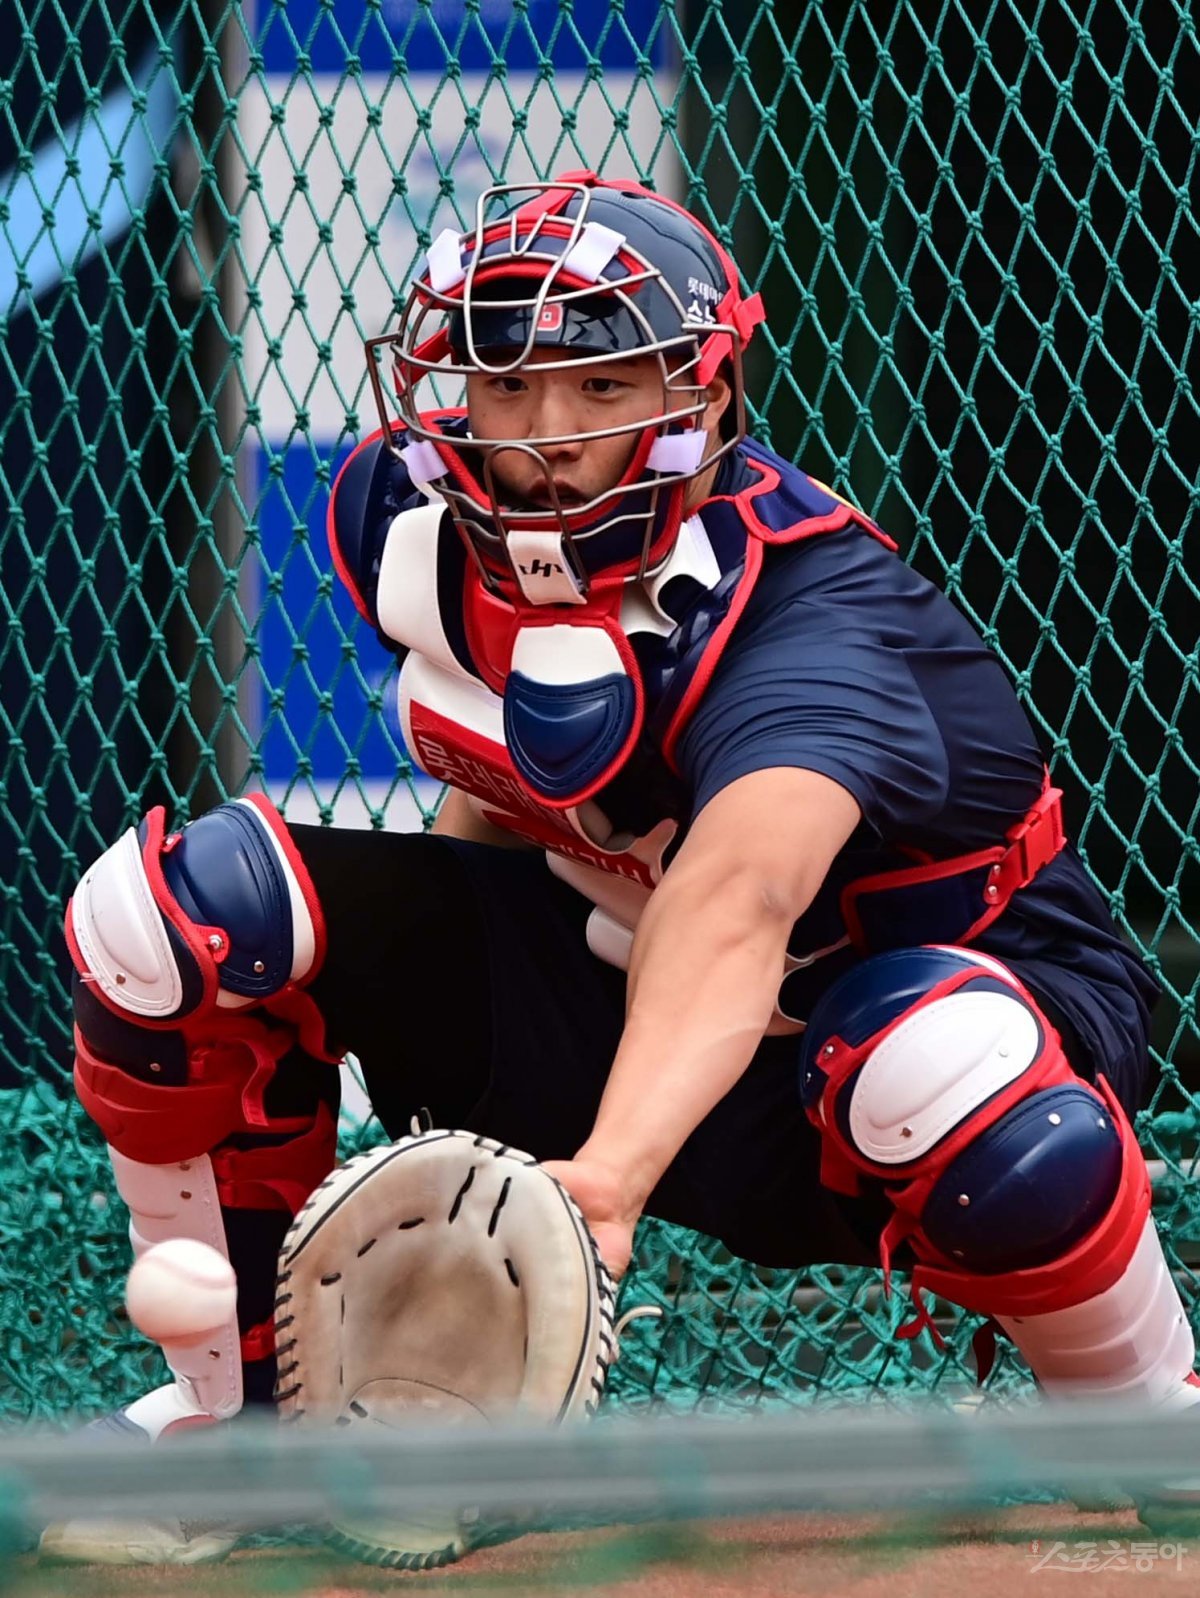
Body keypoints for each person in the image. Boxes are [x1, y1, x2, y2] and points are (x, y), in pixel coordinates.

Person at [50, 171, 1196, 1563]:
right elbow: (525, 795)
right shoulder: (410, 529)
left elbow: (736, 903)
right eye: (506, 383)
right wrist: (430, 1035)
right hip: (623, 986)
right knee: (172, 912)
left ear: (698, 397)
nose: (544, 434)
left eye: (599, 385)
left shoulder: (813, 625)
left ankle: (1148, 1414)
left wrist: (600, 1187)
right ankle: (240, 1428)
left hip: (889, 1052)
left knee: (930, 1056)